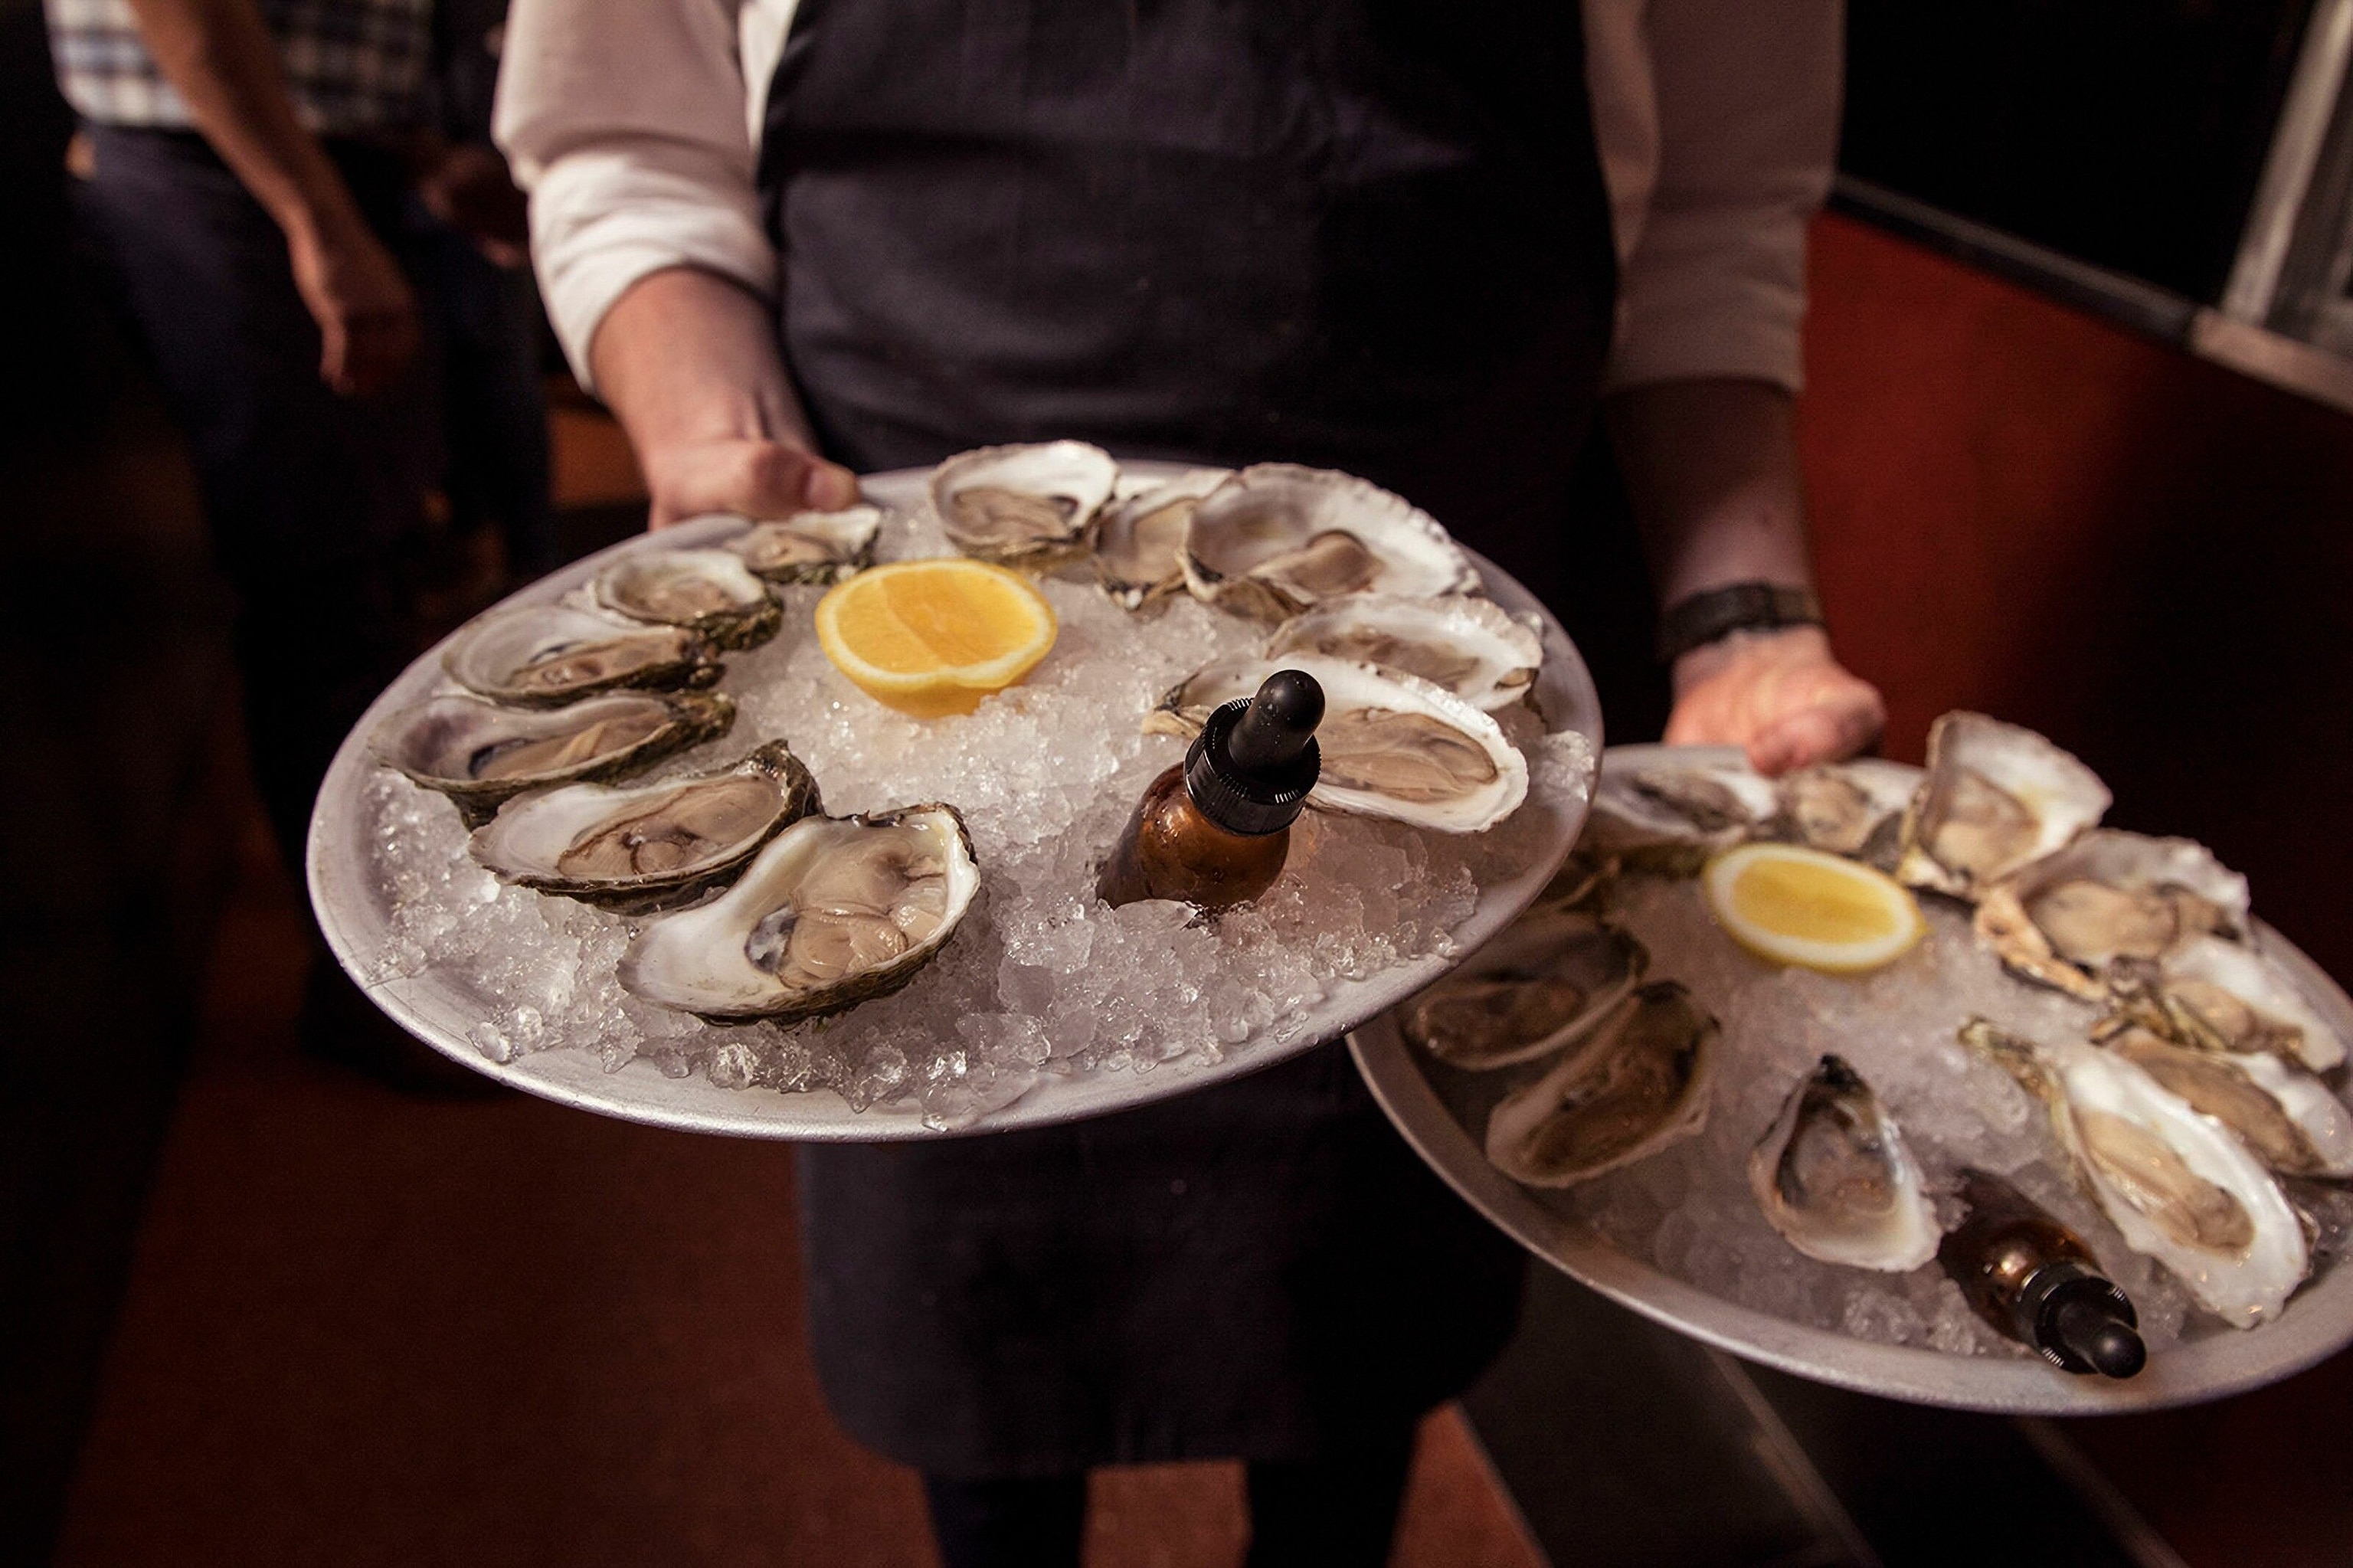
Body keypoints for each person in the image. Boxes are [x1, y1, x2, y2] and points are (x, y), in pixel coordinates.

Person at [496, 2, 1883, 1563]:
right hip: (921, 684)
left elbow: (1711, 221)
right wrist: (717, 451)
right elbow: (629, 147)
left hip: (1417, 725)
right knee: (982, 1317)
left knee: (1351, 1315)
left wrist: (1742, 625)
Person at [47, 0, 532, 1090]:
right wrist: (319, 222)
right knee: (326, 595)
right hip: (224, 174)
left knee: (385, 572)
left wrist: (408, 164)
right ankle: (369, 996)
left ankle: (411, 955)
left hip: (309, 164)